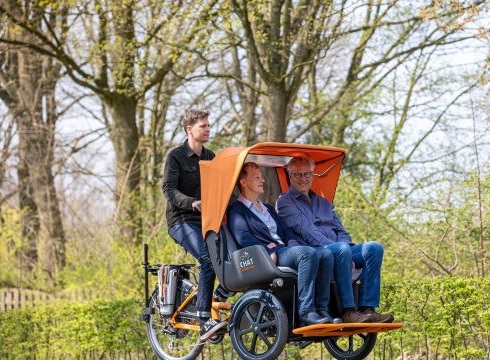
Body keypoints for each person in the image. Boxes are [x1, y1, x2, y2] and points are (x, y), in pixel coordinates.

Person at [276, 156, 394, 323]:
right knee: (342, 250)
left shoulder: (324, 202)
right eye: (297, 175)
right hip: (315, 251)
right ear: (290, 176)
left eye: (307, 174)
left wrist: (346, 251)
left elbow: (340, 230)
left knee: (374, 248)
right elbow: (308, 232)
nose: (303, 179)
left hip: (339, 249)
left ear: (313, 174)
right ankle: (348, 310)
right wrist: (341, 250)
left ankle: (367, 308)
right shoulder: (285, 202)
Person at [227, 162, 340, 325]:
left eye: (262, 177)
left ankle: (322, 309)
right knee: (308, 254)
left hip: (285, 250)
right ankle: (306, 312)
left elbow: (286, 231)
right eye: (257, 177)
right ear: (243, 183)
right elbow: (243, 237)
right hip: (267, 256)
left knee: (326, 254)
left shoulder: (268, 208)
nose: (262, 180)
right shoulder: (237, 211)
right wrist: (268, 248)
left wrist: (293, 245)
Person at [162, 109, 227, 341]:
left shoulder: (211, 157)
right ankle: (203, 318)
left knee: (232, 253)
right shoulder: (175, 156)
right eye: (203, 125)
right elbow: (169, 190)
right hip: (181, 220)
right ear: (189, 129)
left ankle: (219, 296)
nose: (208, 129)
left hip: (206, 219)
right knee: (207, 259)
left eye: (209, 125)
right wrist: (192, 203)